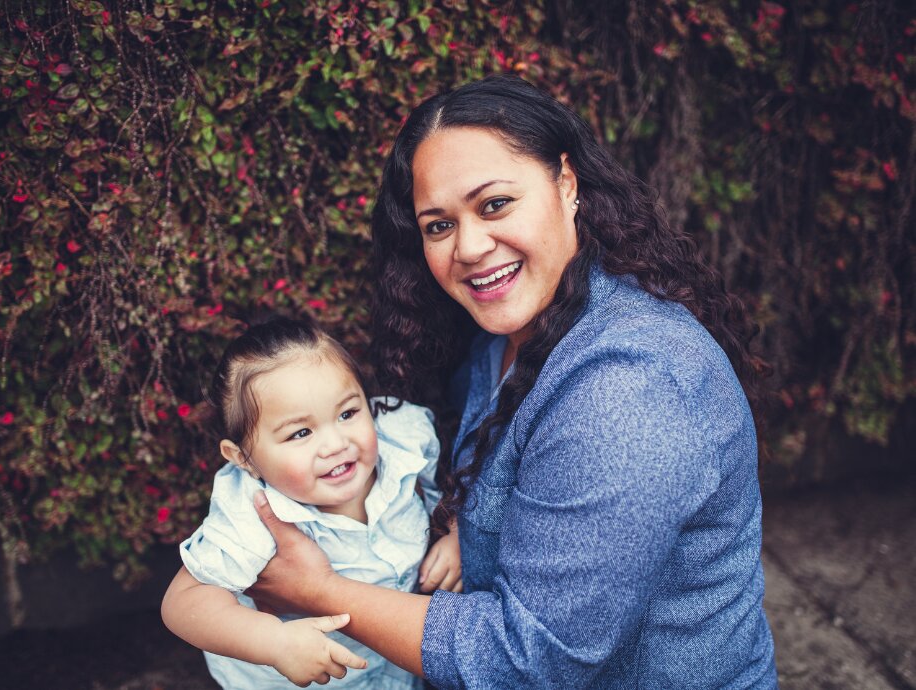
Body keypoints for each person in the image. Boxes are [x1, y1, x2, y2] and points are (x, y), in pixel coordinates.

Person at [245, 75, 779, 688]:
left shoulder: (627, 392)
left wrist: (316, 589)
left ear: (567, 184)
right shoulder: (507, 333)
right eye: (438, 225)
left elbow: (527, 664)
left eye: (494, 204)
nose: (470, 246)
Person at [160, 316, 462, 689]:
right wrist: (274, 642)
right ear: (243, 458)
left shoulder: (402, 438)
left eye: (347, 413)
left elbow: (455, 479)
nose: (336, 443)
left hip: (394, 670)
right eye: (300, 432)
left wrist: (455, 532)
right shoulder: (255, 512)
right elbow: (183, 602)